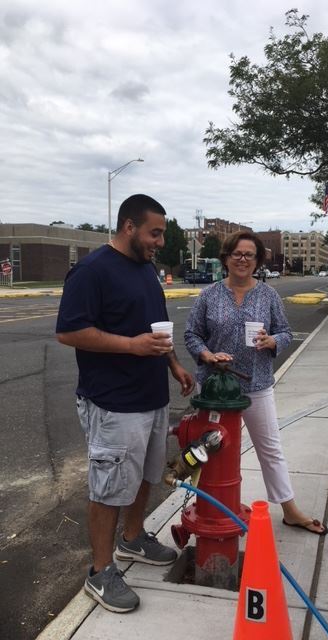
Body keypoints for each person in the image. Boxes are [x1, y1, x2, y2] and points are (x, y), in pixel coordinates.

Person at [56, 194, 195, 613]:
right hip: (113, 403)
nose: (159, 241)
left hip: (151, 397)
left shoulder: (147, 271)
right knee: (110, 487)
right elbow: (69, 331)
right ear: (129, 227)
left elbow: (153, 327)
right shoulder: (92, 271)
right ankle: (100, 573)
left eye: (163, 234)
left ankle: (133, 540)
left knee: (145, 476)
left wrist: (172, 363)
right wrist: (130, 346)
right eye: (154, 233)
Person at [184, 231, 328, 536]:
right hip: (214, 389)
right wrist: (207, 354)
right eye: (236, 253)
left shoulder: (268, 295)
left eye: (249, 254)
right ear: (226, 258)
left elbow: (285, 332)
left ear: (258, 260)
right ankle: (206, 507)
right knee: (209, 451)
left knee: (270, 448)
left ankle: (290, 510)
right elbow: (191, 335)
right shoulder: (209, 295)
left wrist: (271, 340)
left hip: (257, 384)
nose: (242, 259)